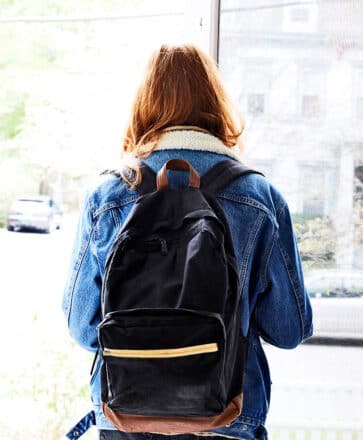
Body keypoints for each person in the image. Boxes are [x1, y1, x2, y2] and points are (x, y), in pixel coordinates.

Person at [61, 43, 313, 440]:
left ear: (144, 106)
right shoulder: (259, 198)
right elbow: (289, 329)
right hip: (229, 415)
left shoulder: (107, 196)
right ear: (215, 105)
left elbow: (83, 327)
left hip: (125, 411)